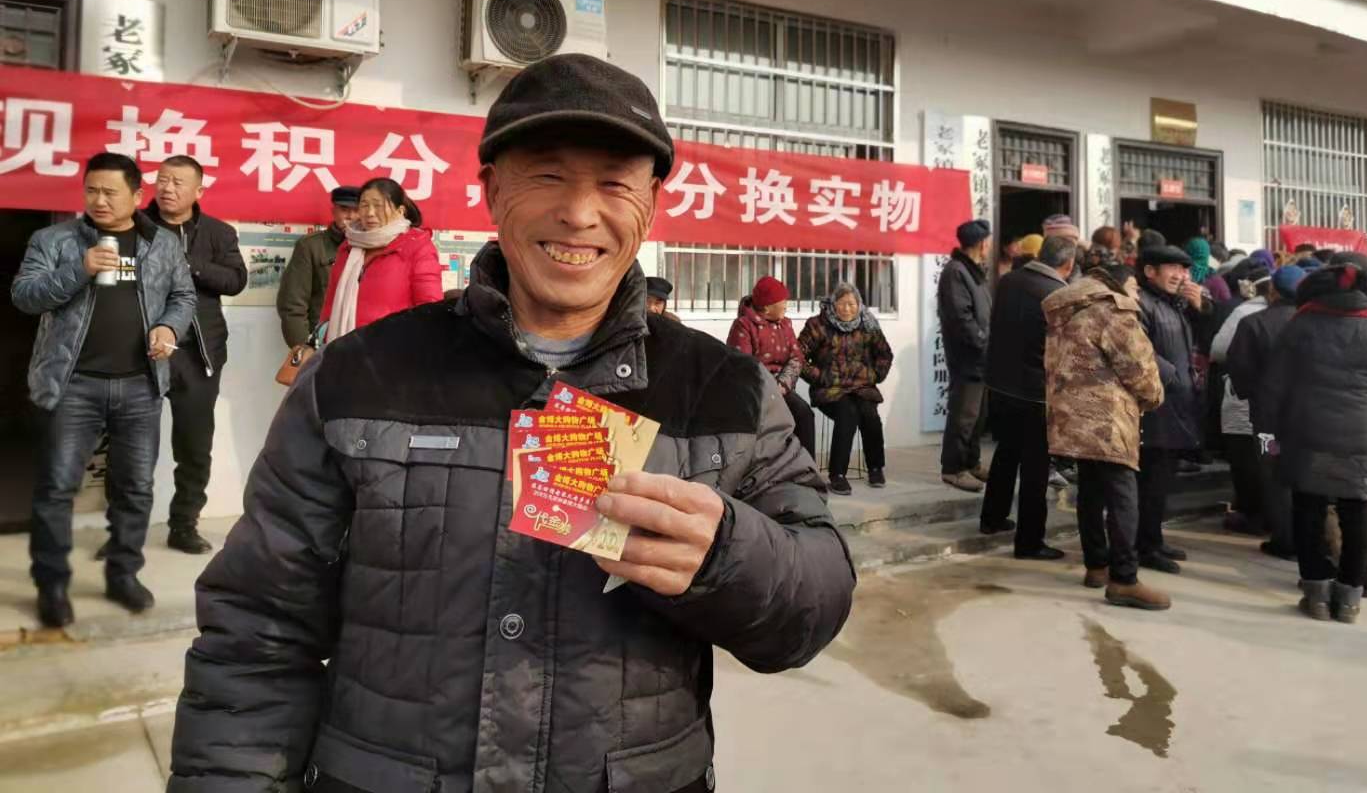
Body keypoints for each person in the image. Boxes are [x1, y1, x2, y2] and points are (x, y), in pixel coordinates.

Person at [168, 54, 854, 792]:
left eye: (614, 183)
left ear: (652, 202)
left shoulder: (726, 390)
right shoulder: (357, 376)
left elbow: (814, 601)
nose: (580, 214)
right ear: (492, 189)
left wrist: (727, 557)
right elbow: (257, 630)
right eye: (548, 175)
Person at [11, 153, 196, 629]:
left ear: (136, 196)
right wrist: (80, 268)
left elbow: (183, 296)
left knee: (135, 488)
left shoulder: (162, 244)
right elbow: (25, 296)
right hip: (72, 384)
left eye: (110, 192)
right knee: (57, 488)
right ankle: (52, 585)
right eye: (91, 190)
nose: (99, 200)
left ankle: (123, 573)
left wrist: (169, 328)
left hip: (141, 385)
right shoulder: (54, 240)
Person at [1266, 264, 1367, 623]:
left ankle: (1316, 594)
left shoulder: (1299, 326)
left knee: (1308, 512)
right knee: (1358, 512)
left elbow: (1273, 388)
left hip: (1305, 432)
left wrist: (1271, 433)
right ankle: (1349, 600)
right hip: (1366, 435)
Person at [1043, 263, 1168, 610]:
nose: (1137, 295)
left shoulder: (1065, 307)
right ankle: (1124, 579)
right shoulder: (1113, 311)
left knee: (1090, 491)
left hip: (1072, 417)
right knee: (1123, 495)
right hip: (1108, 419)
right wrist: (1154, 397)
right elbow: (1139, 369)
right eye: (1135, 287)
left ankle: (1096, 566)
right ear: (1118, 284)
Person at [142, 155, 248, 556]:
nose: (167, 188)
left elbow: (235, 281)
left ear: (198, 190)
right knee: (131, 445)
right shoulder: (133, 226)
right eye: (162, 180)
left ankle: (184, 525)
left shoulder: (219, 233)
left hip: (198, 353)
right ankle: (124, 530)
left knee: (193, 447)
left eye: (178, 182)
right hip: (141, 351)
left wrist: (186, 262)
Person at [978, 234, 1076, 558]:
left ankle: (992, 518)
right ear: (1068, 264)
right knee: (1035, 469)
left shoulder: (1009, 281)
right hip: (1036, 393)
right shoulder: (1059, 294)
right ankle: (1029, 542)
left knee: (1006, 453)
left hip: (1000, 385)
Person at [1135, 244, 1209, 574]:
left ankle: (1153, 538)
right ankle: (1144, 545)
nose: (1180, 275)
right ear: (1150, 271)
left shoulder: (1174, 304)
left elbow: (1202, 341)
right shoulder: (1142, 302)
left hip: (1178, 404)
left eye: (1184, 269)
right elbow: (1140, 349)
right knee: (1150, 480)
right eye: (1173, 268)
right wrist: (1173, 376)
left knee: (1162, 480)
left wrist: (1200, 309)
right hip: (1155, 406)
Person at [1228, 265, 1306, 559]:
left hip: (1266, 419)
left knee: (1273, 473)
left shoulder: (1253, 323)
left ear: (1272, 291)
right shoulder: (1314, 323)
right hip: (1307, 415)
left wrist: (1252, 394)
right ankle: (1308, 538)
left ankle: (1284, 538)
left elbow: (1239, 369)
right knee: (1304, 474)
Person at [317, 177, 443, 340]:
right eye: (364, 205)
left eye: (378, 206)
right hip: (344, 347)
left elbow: (429, 312)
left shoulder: (418, 248)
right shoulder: (348, 246)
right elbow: (330, 304)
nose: (370, 213)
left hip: (392, 349)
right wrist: (321, 338)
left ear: (400, 211)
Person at [799, 282, 894, 494]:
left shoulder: (868, 325)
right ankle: (837, 474)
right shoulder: (817, 325)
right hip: (830, 390)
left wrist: (874, 375)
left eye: (851, 304)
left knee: (870, 415)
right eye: (842, 304)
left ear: (859, 305)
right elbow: (798, 356)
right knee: (847, 414)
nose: (847, 309)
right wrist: (819, 376)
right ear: (833, 304)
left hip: (861, 387)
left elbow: (884, 354)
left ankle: (876, 468)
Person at [1208, 267, 1270, 536]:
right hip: (1280, 407)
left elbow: (1218, 350)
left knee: (1246, 462)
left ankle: (1251, 515)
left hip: (1243, 402)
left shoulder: (1244, 313)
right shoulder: (1301, 315)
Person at [727, 276, 814, 461]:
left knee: (804, 414)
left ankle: (807, 468)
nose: (786, 305)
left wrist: (781, 386)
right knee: (767, 425)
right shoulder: (743, 326)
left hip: (781, 388)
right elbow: (744, 365)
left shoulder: (785, 324)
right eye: (782, 301)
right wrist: (769, 389)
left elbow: (796, 357)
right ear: (767, 307)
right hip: (755, 392)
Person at [939, 219, 993, 492]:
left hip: (982, 357)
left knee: (978, 416)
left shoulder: (974, 271)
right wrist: (983, 344)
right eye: (988, 241)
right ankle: (953, 468)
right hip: (968, 356)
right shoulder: (956, 272)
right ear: (982, 243)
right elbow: (962, 319)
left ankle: (972, 462)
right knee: (963, 414)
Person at [276, 186, 359, 347]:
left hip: (363, 342)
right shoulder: (311, 246)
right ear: (333, 211)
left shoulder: (374, 247)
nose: (351, 216)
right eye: (344, 209)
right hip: (323, 342)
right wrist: (303, 349)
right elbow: (293, 305)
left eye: (356, 210)